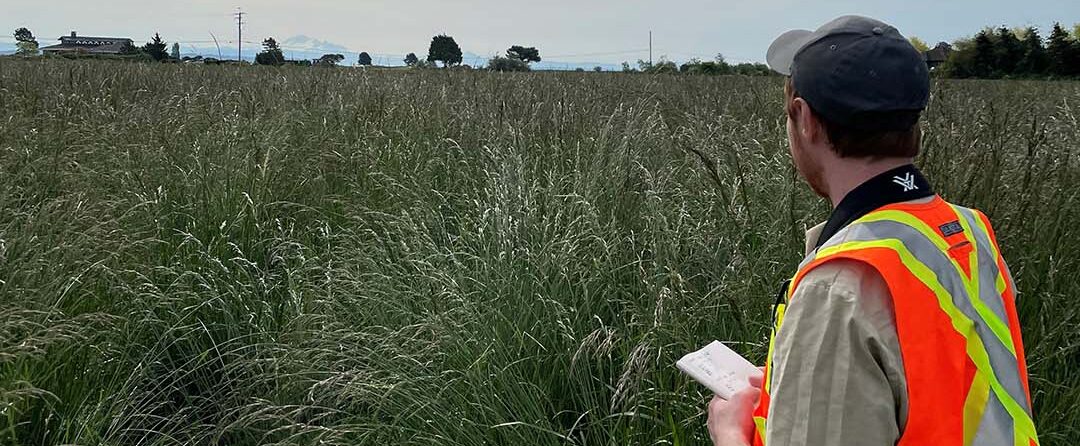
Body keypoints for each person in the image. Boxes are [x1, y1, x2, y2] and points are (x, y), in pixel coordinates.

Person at [705, 15, 1039, 446]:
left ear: (804, 119)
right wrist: (797, 385)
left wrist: (730, 434)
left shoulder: (838, 289)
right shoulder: (969, 233)